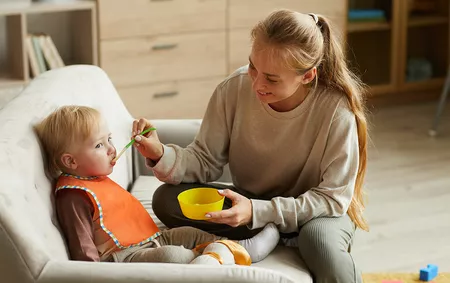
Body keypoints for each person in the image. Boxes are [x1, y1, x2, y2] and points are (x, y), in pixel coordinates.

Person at [132, 9, 369, 283]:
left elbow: (332, 199)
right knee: (166, 199)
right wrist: (160, 154)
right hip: (248, 199)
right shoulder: (233, 89)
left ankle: (267, 232)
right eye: (253, 66)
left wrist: (258, 212)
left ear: (307, 75)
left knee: (319, 242)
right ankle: (267, 233)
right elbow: (205, 159)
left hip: (313, 213)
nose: (256, 83)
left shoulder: (336, 112)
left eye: (271, 78)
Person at [34, 105, 279, 265]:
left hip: (153, 239)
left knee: (190, 234)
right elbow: (83, 251)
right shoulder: (74, 195)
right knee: (174, 256)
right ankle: (219, 259)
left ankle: (233, 248)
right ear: (71, 161)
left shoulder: (96, 179)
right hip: (124, 257)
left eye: (109, 139)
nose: (111, 148)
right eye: (99, 145)